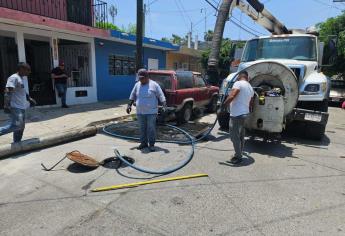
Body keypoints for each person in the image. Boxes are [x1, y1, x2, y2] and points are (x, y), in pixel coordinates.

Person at [126, 69, 166, 152]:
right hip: (140, 111)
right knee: (142, 128)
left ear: (147, 77)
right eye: (139, 78)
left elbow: (161, 95)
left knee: (151, 128)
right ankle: (143, 143)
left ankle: (151, 144)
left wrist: (164, 104)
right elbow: (132, 94)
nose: (140, 80)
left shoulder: (154, 85)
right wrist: (129, 105)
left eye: (142, 78)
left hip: (151, 112)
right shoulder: (137, 84)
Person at [223, 70, 254, 164]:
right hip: (245, 114)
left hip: (237, 114)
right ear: (247, 77)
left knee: (234, 136)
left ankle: (238, 156)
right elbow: (251, 102)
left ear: (239, 76)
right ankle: (240, 152)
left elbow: (232, 95)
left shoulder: (238, 83)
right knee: (241, 135)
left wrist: (223, 105)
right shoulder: (250, 87)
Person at [0, 62, 36, 143]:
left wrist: (29, 98)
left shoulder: (20, 78)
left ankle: (17, 143)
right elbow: (8, 92)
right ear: (21, 69)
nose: (29, 72)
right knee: (17, 125)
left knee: (21, 127)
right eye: (28, 70)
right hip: (15, 107)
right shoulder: (14, 78)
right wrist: (6, 106)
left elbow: (22, 90)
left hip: (21, 107)